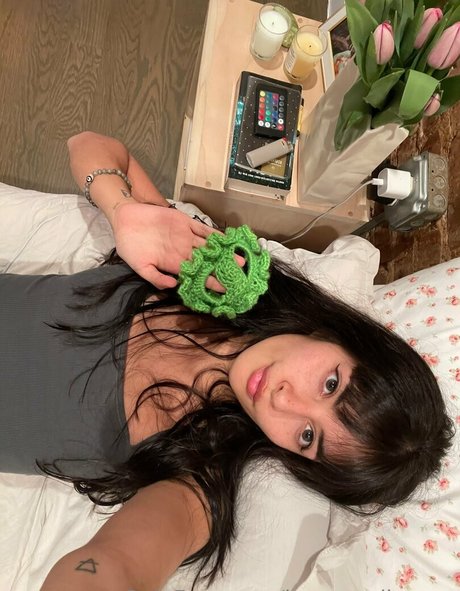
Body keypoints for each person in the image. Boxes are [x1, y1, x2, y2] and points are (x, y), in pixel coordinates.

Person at [0, 132, 453, 591]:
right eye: (331, 385)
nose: (285, 401)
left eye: (307, 436)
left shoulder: (201, 474)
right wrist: (123, 212)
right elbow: (87, 144)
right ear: (343, 339)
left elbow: (118, 563)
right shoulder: (212, 276)